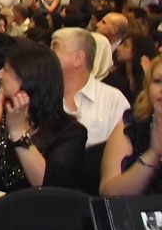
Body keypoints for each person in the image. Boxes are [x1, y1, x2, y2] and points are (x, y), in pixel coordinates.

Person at [0, 43, 87, 196]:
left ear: (27, 80)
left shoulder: (70, 132)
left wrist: (18, 133)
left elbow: (48, 186)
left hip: (33, 209)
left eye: (6, 69)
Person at [51, 27, 129, 147]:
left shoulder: (113, 99)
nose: (48, 55)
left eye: (55, 48)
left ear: (78, 58)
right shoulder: (41, 94)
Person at [100, 55, 162, 196]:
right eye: (158, 81)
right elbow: (109, 193)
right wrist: (153, 154)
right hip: (139, 209)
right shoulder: (130, 124)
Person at [105, 33, 157, 103]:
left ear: (137, 50)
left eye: (125, 45)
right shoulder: (115, 76)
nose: (118, 48)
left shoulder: (146, 79)